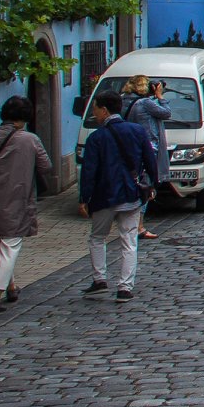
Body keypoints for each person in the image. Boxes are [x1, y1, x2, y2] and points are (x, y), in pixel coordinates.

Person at [0, 95, 55, 313]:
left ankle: (11, 286)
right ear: (25, 117)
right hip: (17, 197)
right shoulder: (30, 139)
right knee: (10, 245)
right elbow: (46, 166)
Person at [79, 90, 160, 303]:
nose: (95, 113)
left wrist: (84, 198)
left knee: (97, 237)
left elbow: (88, 171)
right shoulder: (137, 131)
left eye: (95, 108)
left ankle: (100, 280)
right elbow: (150, 159)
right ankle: (125, 287)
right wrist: (153, 183)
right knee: (129, 240)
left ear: (104, 110)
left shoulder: (96, 137)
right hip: (130, 193)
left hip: (103, 196)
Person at [122, 75, 173, 241]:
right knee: (146, 186)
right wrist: (160, 96)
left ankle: (131, 224)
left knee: (134, 185)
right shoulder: (145, 103)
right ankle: (139, 226)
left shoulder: (124, 101)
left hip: (129, 148)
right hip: (149, 147)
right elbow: (166, 113)